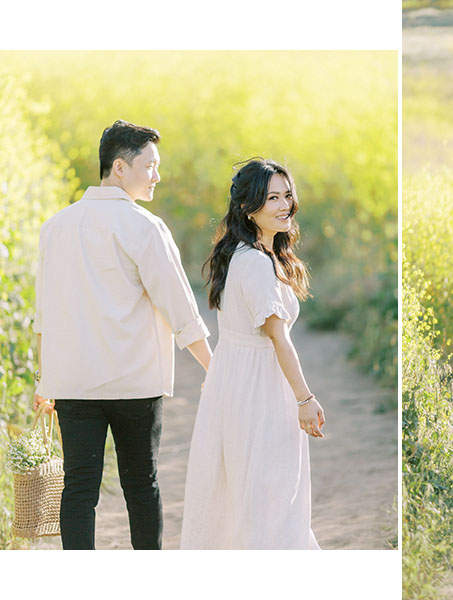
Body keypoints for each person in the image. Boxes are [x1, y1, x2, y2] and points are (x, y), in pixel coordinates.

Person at [33, 120, 212, 550]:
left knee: (78, 489)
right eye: (149, 166)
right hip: (135, 381)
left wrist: (44, 381)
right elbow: (180, 307)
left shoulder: (55, 227)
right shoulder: (144, 227)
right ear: (119, 167)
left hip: (74, 383)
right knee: (141, 484)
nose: (157, 175)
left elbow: (45, 315)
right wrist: (216, 367)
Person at [180, 158, 324, 549]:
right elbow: (278, 338)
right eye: (271, 197)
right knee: (271, 498)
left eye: (287, 195)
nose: (284, 206)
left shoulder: (243, 255)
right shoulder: (257, 264)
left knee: (246, 496)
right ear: (248, 207)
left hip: (238, 385)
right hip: (259, 392)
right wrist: (305, 399)